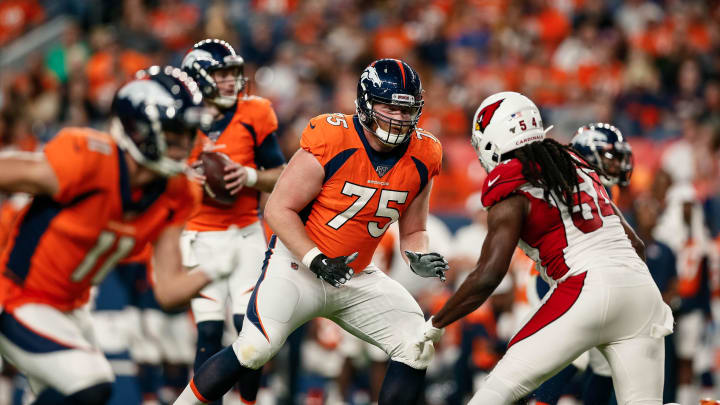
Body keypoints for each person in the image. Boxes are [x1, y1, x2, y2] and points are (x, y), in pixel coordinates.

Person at [175, 58, 449, 405]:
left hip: (356, 274)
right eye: (389, 107)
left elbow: (414, 229)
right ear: (366, 104)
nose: (398, 118)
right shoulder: (333, 136)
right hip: (298, 267)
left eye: (406, 110)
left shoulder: (425, 153)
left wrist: (418, 255)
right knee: (254, 348)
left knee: (416, 343)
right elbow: (277, 208)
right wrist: (315, 259)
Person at [415, 91, 674, 404]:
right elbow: (636, 244)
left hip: (586, 286)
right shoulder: (575, 162)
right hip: (642, 293)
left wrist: (436, 323)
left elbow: (488, 275)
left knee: (495, 394)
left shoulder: (511, 181)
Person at [0, 66, 236, 405]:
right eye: (173, 134)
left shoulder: (178, 192)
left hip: (71, 309)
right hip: (17, 295)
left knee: (81, 390)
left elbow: (168, 291)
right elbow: (11, 173)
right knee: (91, 383)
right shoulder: (88, 159)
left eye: (187, 134)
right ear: (139, 129)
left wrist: (212, 269)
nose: (184, 146)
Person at [180, 38, 285, 404]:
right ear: (199, 77)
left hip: (244, 234)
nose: (230, 81)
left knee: (250, 331)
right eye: (221, 73)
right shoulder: (179, 116)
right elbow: (152, 174)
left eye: (232, 73)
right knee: (208, 332)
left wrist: (251, 176)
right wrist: (181, 176)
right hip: (198, 236)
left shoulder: (254, 113)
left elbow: (281, 172)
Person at [532, 122, 635, 405]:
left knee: (604, 362)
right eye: (611, 156)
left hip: (588, 279)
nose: (619, 164)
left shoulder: (602, 191)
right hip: (556, 280)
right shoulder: (566, 184)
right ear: (589, 155)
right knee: (570, 355)